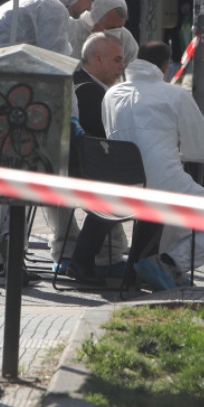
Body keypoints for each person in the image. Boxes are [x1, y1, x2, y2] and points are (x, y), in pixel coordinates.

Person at [0, 0, 98, 286]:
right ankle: (4, 261)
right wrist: (72, 115)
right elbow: (58, 67)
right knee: (8, 177)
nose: (90, 6)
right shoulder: (51, 8)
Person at [102, 41, 204, 291]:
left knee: (176, 217)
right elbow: (201, 150)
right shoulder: (175, 95)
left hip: (121, 188)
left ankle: (161, 269)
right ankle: (167, 263)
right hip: (161, 184)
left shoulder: (111, 95)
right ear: (166, 66)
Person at [57, 33, 135, 286]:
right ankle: (83, 261)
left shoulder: (90, 86)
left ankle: (95, 260)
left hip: (86, 168)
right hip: (79, 171)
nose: (122, 66)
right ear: (98, 58)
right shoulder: (87, 91)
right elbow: (102, 140)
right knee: (129, 194)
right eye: (117, 60)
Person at [68, 0, 139, 62]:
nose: (116, 32)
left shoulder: (127, 40)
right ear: (95, 19)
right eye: (111, 27)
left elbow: (130, 66)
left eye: (120, 27)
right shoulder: (71, 30)